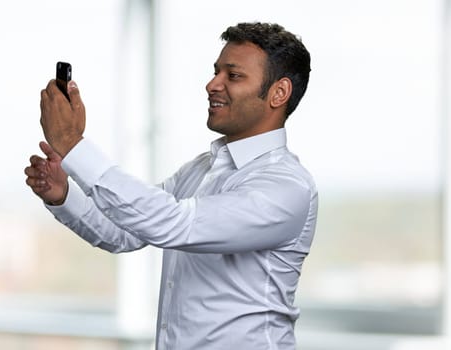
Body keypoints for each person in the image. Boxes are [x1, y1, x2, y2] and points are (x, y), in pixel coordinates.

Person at [25, 22, 318, 350]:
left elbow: (176, 224)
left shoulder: (287, 187)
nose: (212, 85)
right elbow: (126, 230)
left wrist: (72, 144)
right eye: (215, 72)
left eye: (232, 76)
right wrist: (63, 196)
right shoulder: (202, 168)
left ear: (278, 93)